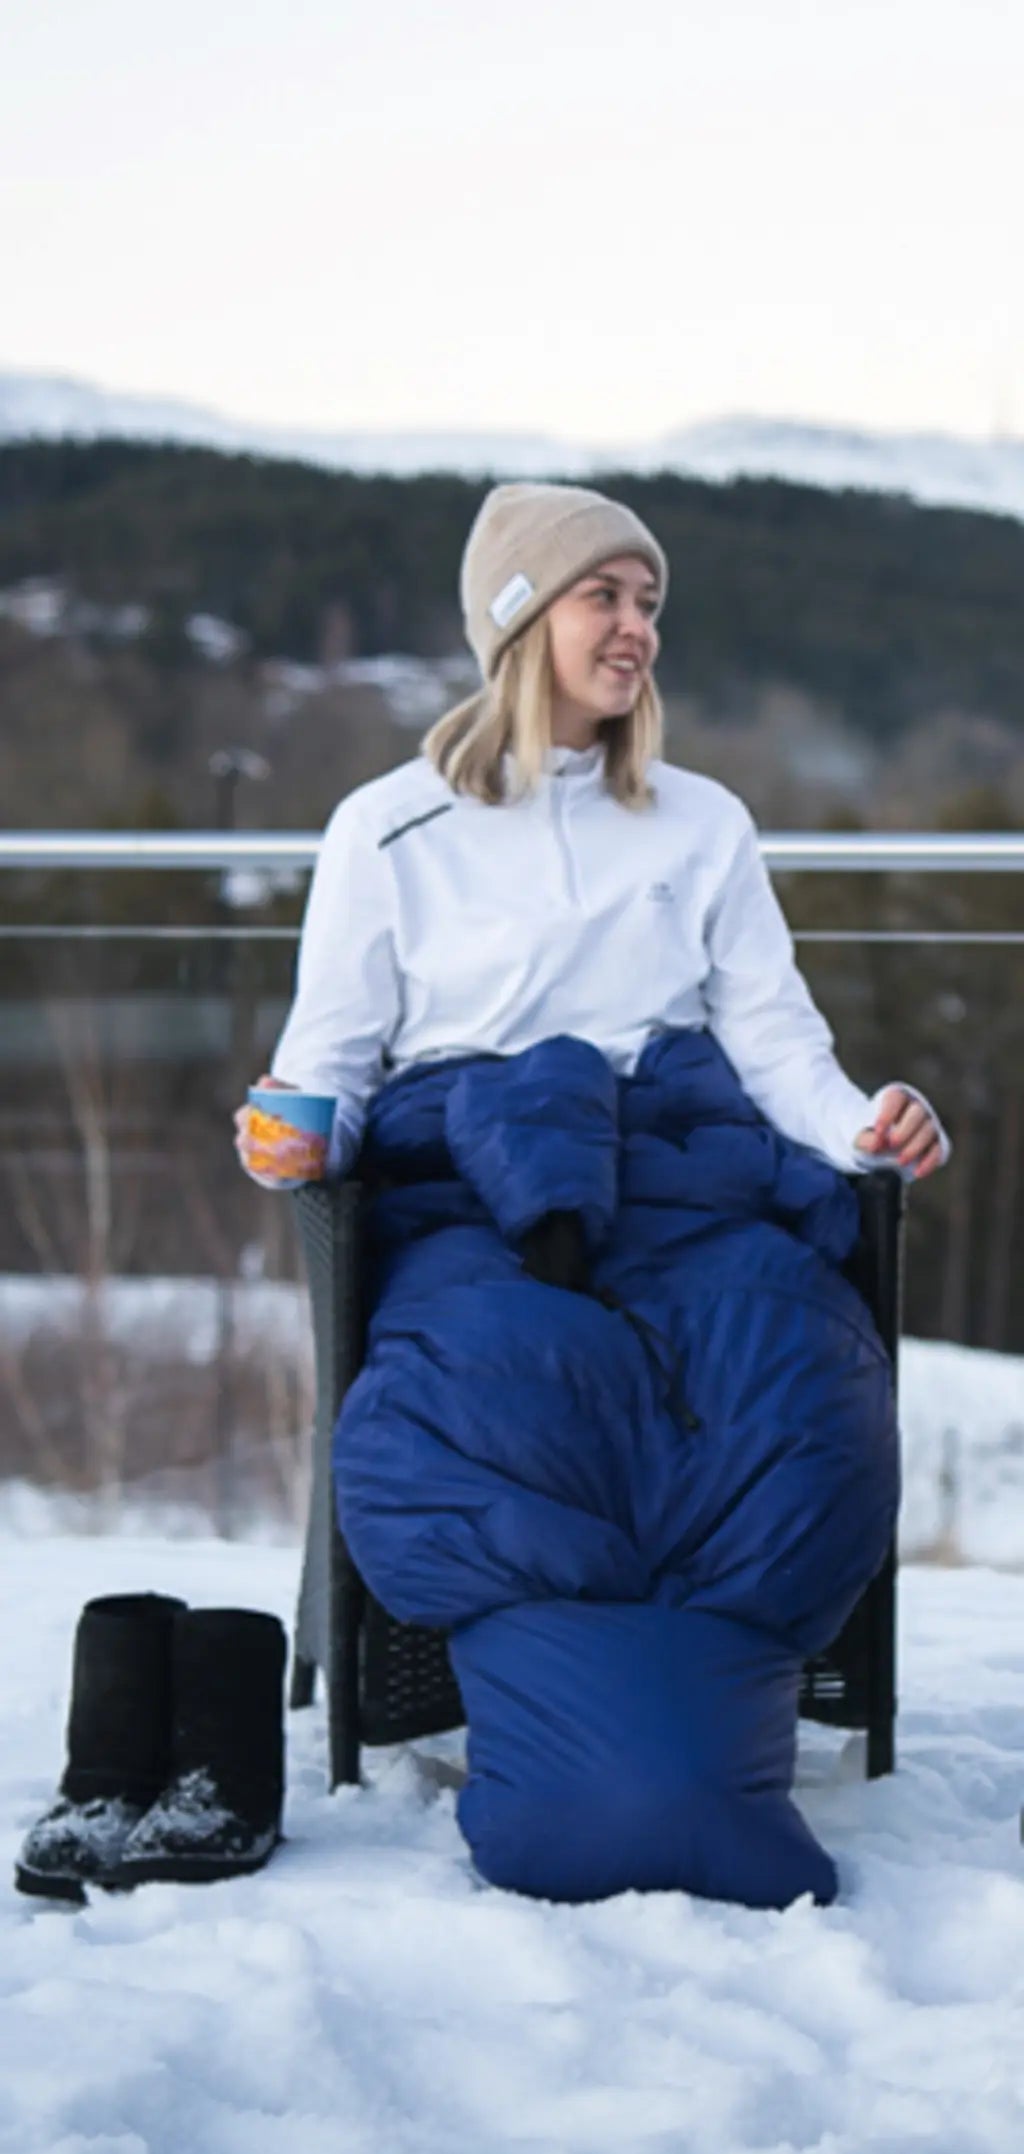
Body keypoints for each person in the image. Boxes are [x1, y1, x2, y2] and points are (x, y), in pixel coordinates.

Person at [235, 481, 949, 1910]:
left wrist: (865, 1122)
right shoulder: (388, 832)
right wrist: (289, 1136)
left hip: (692, 1184)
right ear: (519, 620)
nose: (637, 632)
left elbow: (776, 1046)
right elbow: (324, 1075)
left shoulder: (701, 824)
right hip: (473, 1195)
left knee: (781, 1367)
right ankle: (625, 1727)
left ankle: (673, 1703)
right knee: (508, 1383)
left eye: (650, 605)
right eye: (604, 599)